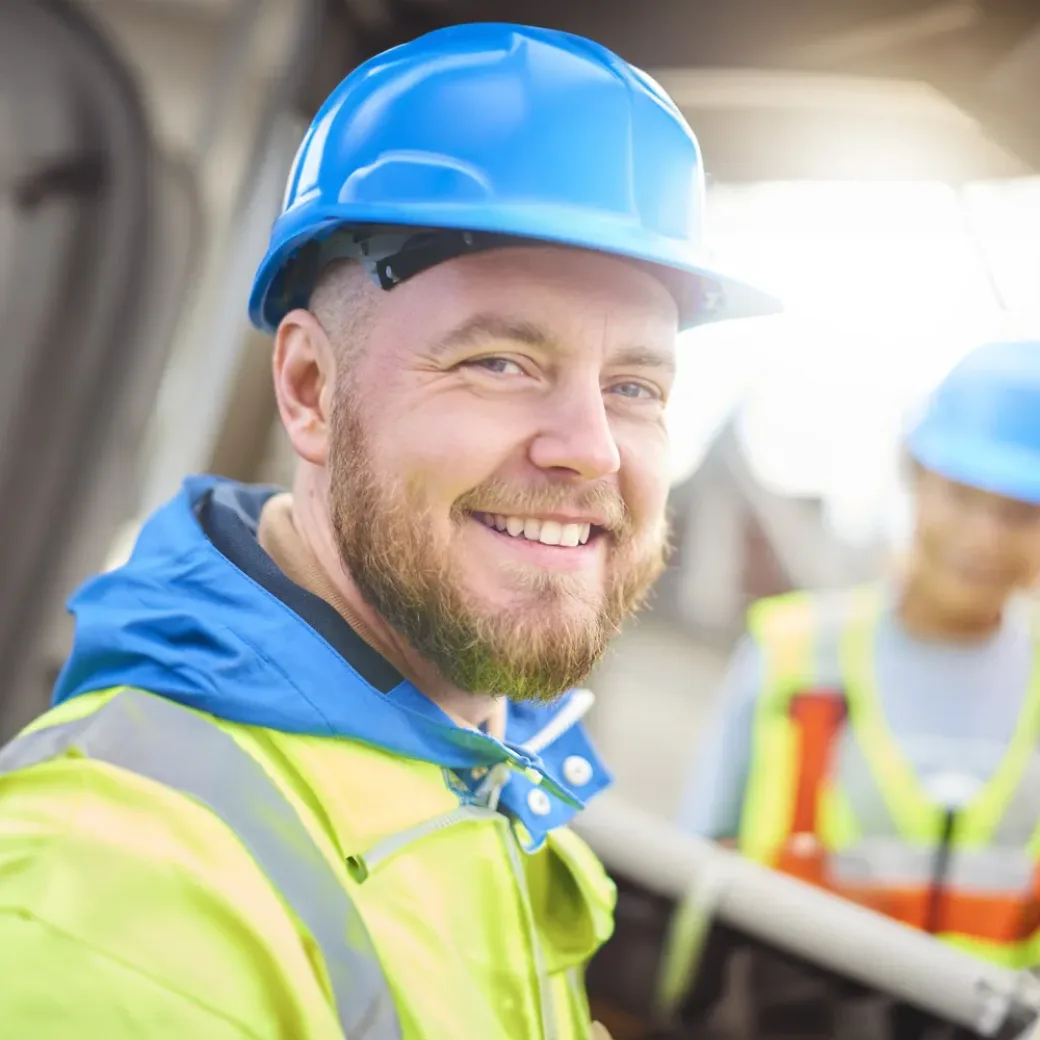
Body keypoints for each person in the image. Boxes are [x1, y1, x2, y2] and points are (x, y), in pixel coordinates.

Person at [0, 22, 777, 1040]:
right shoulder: (112, 894)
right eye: (499, 361)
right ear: (309, 388)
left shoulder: (470, 774)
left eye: (634, 385)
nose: (591, 449)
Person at [678, 339, 1040, 1036]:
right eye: (962, 496)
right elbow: (692, 883)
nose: (984, 535)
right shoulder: (790, 651)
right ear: (915, 477)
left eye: (1020, 513)